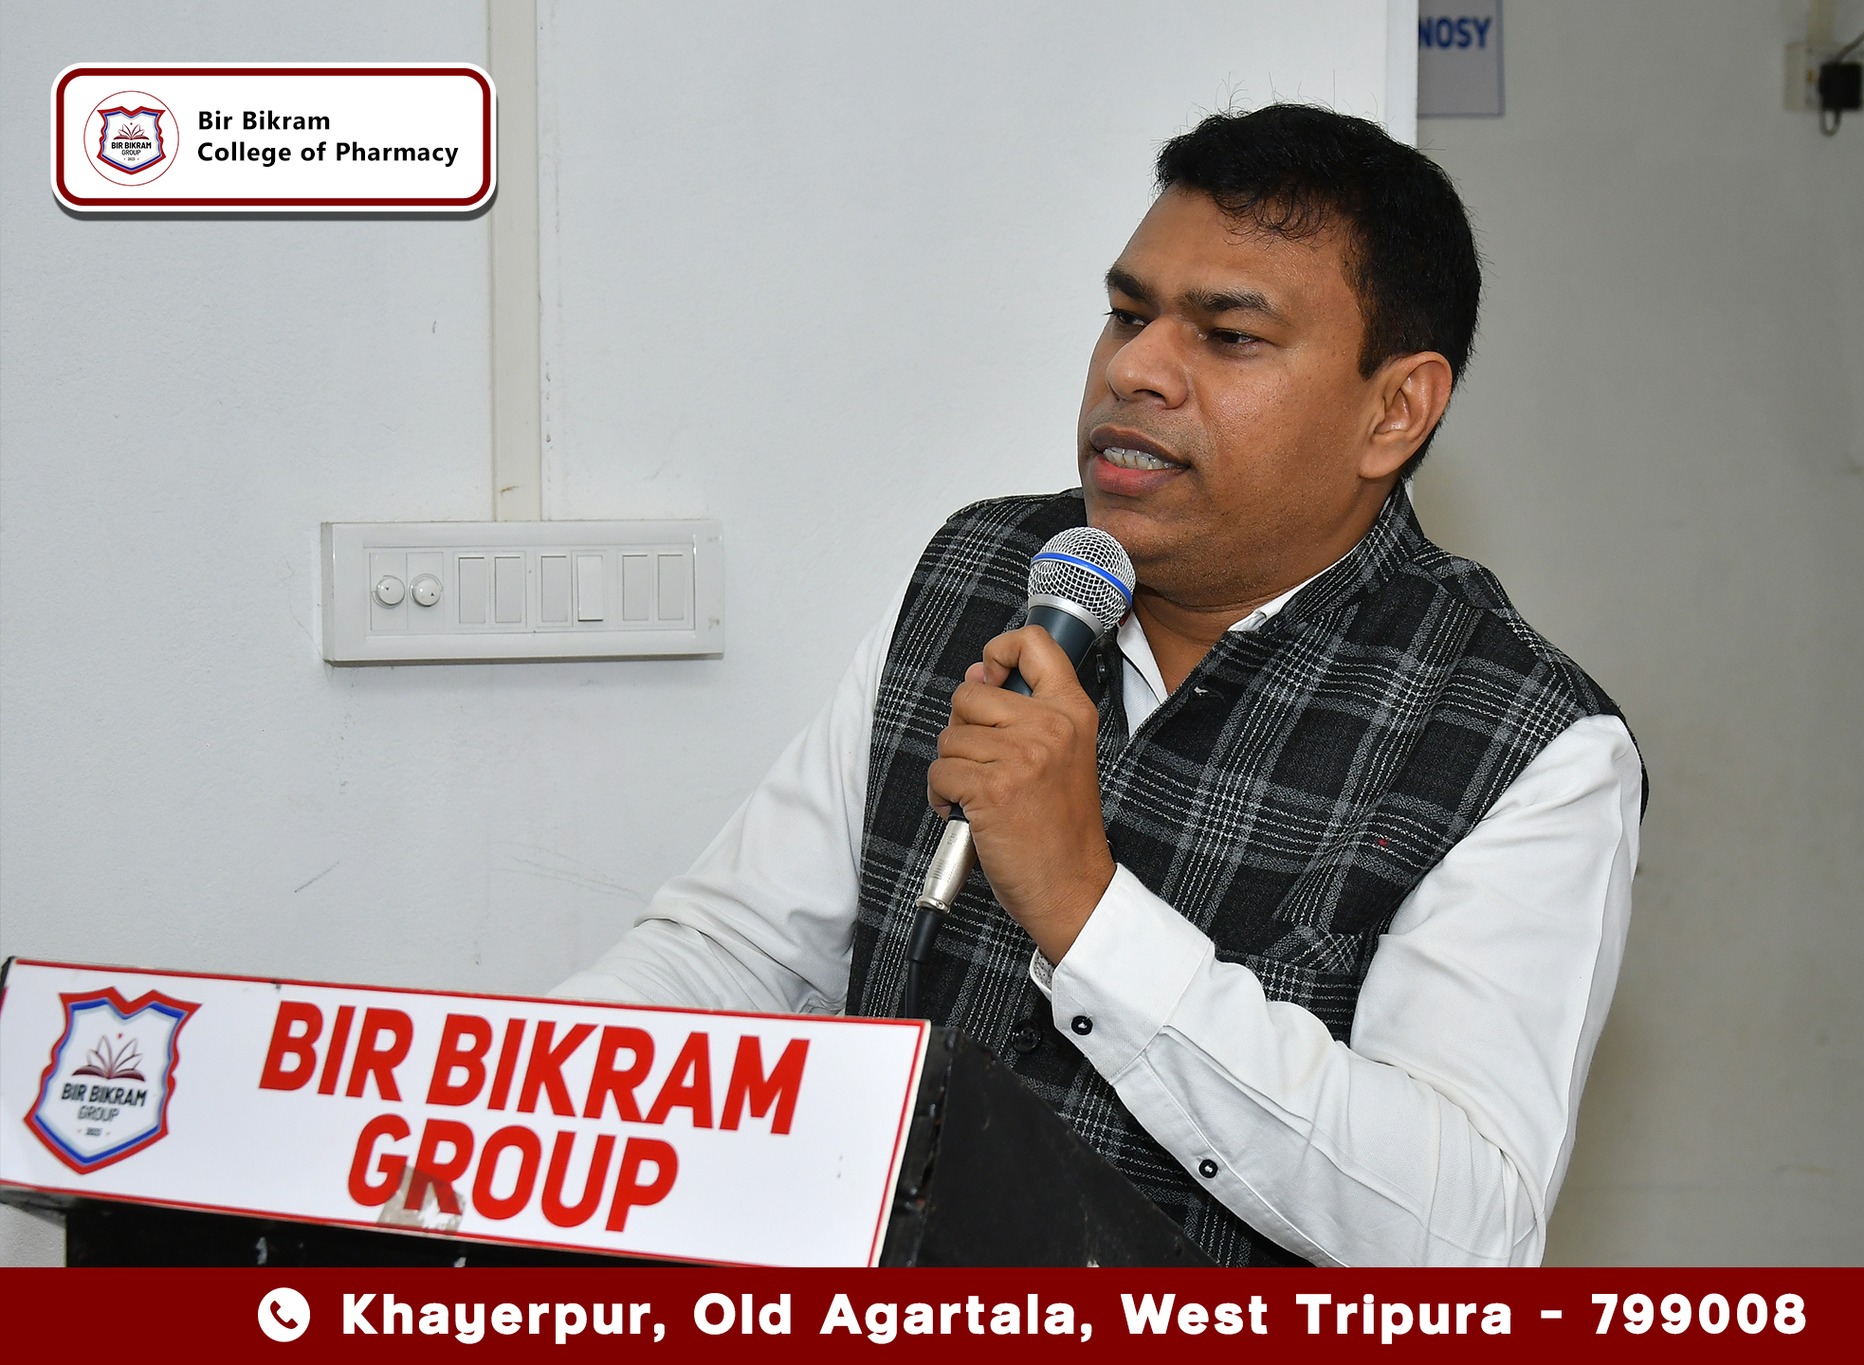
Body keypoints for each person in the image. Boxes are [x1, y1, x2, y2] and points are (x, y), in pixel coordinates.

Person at [558, 104, 1644, 1267]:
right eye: (1127, 315)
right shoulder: (984, 574)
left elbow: (1456, 1235)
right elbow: (744, 954)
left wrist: (1086, 910)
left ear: (1393, 411)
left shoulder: (1526, 743)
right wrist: (500, 1102)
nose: (1134, 370)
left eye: (1227, 336)